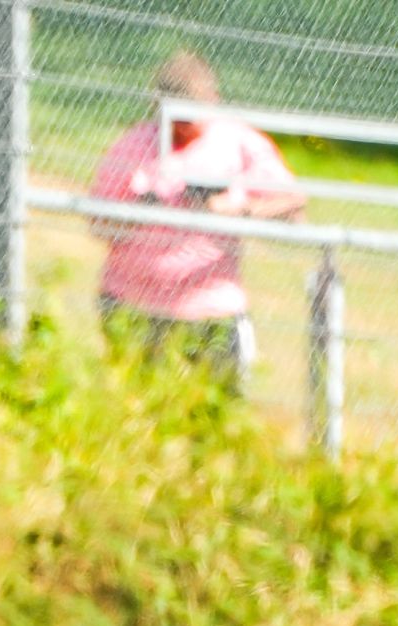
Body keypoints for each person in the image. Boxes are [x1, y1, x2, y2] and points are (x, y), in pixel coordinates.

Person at [88, 50, 306, 386]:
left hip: (211, 311)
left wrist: (237, 210)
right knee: (135, 408)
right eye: (172, 116)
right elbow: (97, 222)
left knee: (217, 413)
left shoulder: (238, 142)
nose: (180, 127)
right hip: (132, 305)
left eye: (190, 116)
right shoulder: (133, 144)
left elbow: (293, 204)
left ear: (212, 100)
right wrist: (139, 210)